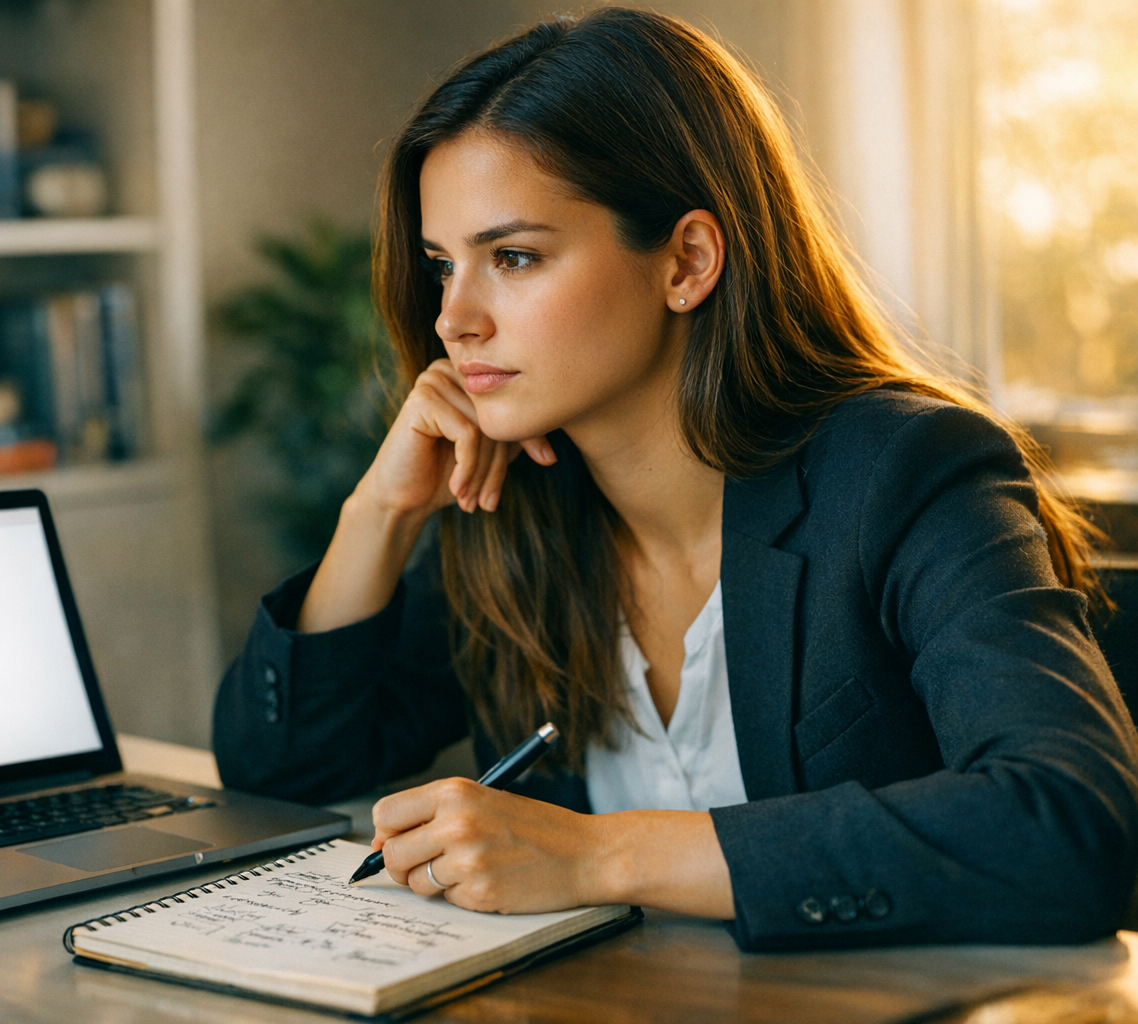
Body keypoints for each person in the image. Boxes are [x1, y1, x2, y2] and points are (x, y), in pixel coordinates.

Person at [211, 8, 1138, 950]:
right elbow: (279, 772)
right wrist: (380, 511)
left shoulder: (907, 472)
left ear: (687, 262)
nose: (455, 318)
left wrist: (599, 855)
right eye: (444, 266)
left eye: (515, 257)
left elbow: (1067, 823)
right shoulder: (513, 507)